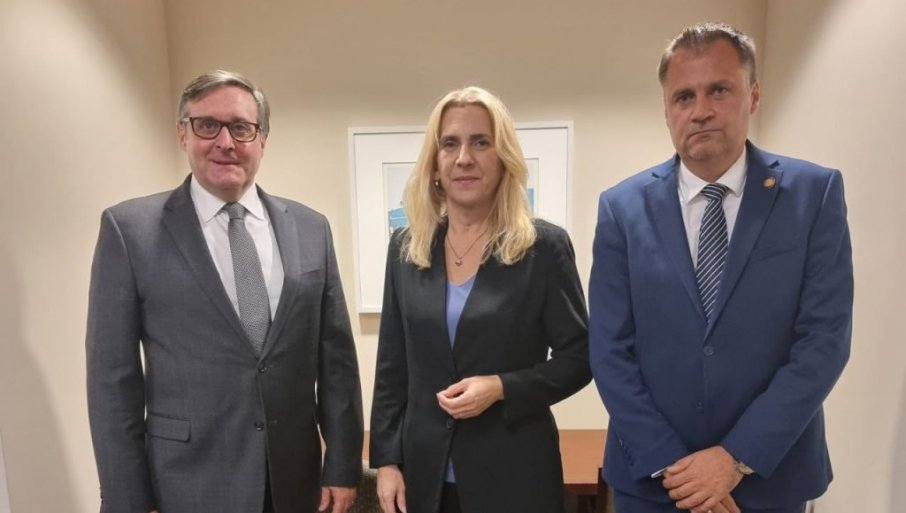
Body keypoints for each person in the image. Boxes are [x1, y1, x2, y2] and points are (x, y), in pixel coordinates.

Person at [589, 22, 853, 513]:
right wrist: (678, 470)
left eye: (719, 90)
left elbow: (824, 341)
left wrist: (734, 459)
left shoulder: (813, 195)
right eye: (683, 96)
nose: (701, 110)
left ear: (753, 96)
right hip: (654, 482)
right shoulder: (622, 209)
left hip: (768, 478)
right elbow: (608, 350)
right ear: (667, 110)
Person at [86, 70, 364, 513]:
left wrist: (343, 466)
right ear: (183, 133)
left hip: (294, 483)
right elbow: (112, 382)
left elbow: (338, 364)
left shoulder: (311, 228)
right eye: (207, 125)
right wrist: (128, 500)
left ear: (262, 139)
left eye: (241, 127)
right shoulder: (130, 231)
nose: (225, 142)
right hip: (185, 485)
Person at [369, 86, 592, 513]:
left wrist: (502, 387)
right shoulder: (406, 248)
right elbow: (392, 367)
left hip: (515, 473)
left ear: (503, 158)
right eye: (450, 144)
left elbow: (579, 358)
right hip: (425, 475)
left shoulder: (543, 248)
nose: (464, 158)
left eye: (481, 142)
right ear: (435, 164)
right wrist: (387, 461)